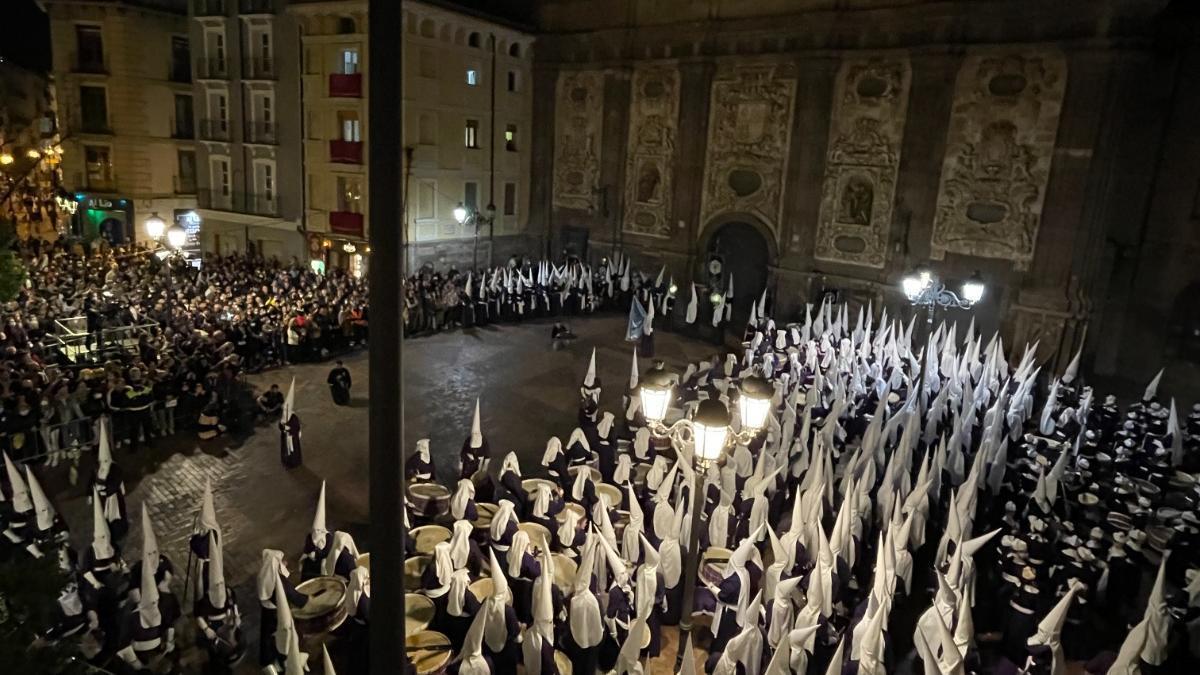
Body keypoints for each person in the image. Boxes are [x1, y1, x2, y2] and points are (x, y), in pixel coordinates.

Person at [279, 379, 302, 469]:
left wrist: (289, 429)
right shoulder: (284, 417)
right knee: (287, 451)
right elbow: (280, 425)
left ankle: (295, 463)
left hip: (292, 438)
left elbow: (297, 427)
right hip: (286, 437)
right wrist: (283, 428)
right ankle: (287, 463)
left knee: (293, 451)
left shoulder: (293, 417)